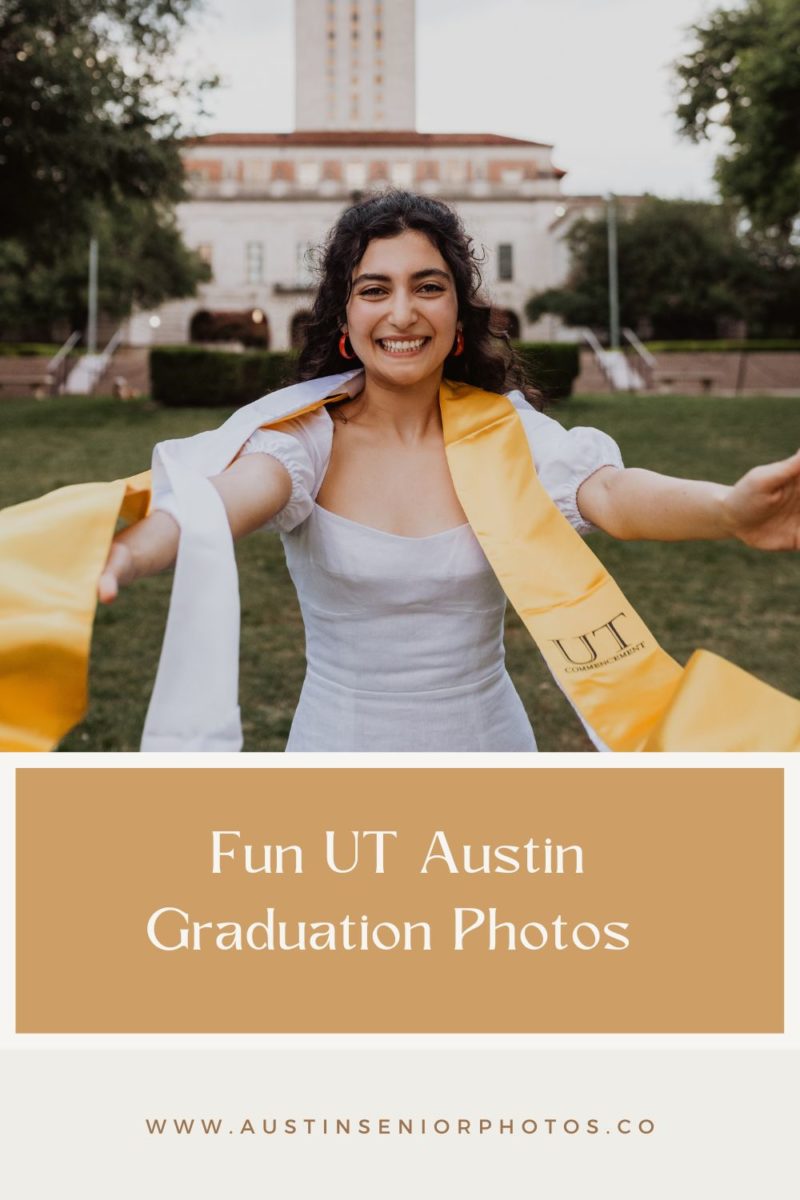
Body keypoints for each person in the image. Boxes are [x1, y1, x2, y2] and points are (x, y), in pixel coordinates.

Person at [34, 192, 800, 751]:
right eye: (376, 290)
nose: (402, 312)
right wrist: (129, 551)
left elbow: (611, 495)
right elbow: (218, 500)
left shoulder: (506, 433)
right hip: (339, 760)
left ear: (457, 311)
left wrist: (728, 509)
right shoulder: (305, 441)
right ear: (345, 320)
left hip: (492, 757)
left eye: (427, 286)